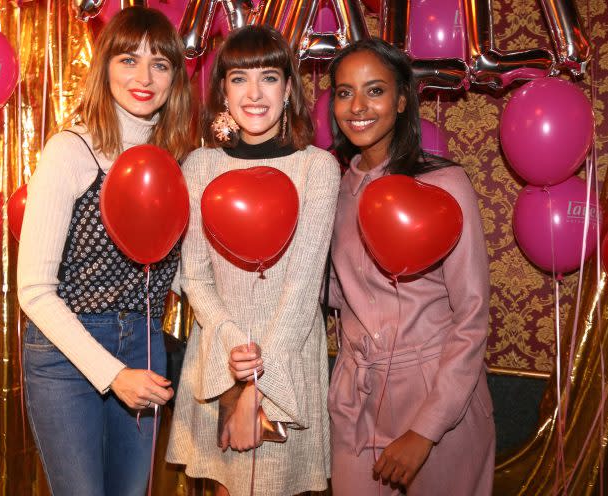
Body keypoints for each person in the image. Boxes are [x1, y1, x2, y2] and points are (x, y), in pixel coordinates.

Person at [17, 7, 192, 495]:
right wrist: (111, 373)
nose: (144, 77)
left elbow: (174, 271)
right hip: (66, 353)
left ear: (175, 77)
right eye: (128, 60)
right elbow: (33, 290)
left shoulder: (176, 162)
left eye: (160, 64)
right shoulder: (70, 151)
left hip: (145, 339)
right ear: (105, 68)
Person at [166, 25, 340, 496]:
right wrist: (231, 358)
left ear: (288, 89)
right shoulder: (200, 165)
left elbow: (304, 289)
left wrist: (255, 390)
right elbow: (194, 276)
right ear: (222, 89)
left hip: (287, 359)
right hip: (219, 356)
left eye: (269, 76)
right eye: (239, 78)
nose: (255, 92)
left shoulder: (316, 168)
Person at [326, 38, 495, 495]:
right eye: (344, 92)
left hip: (436, 392)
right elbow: (338, 299)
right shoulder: (333, 189)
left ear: (402, 100)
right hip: (355, 394)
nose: (357, 106)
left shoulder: (443, 185)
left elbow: (472, 314)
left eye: (375, 90)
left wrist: (427, 429)